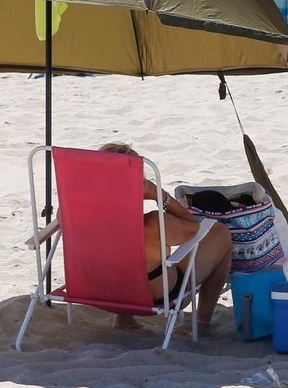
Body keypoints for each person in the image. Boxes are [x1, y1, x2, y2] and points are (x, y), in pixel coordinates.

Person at [98, 141, 234, 335]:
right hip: (158, 298)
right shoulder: (153, 224)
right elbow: (194, 226)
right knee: (221, 232)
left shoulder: (74, 217)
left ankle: (123, 318)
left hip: (102, 293)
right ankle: (202, 324)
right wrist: (158, 195)